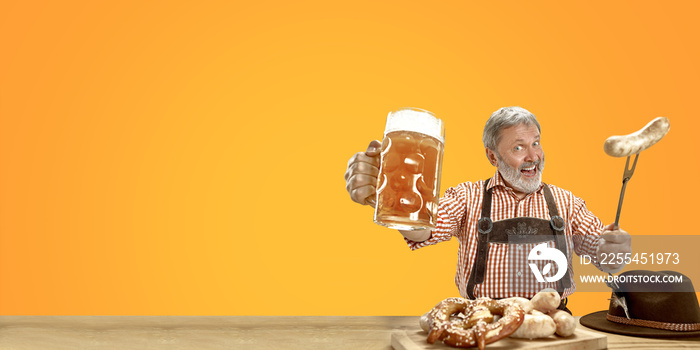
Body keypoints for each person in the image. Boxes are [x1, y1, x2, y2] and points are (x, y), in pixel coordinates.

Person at [344, 106, 631, 311]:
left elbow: (606, 257)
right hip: (481, 321)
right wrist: (394, 194)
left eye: (536, 143)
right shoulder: (467, 197)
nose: (534, 156)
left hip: (552, 324)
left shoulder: (567, 203)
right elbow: (423, 230)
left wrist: (616, 249)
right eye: (519, 148)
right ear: (492, 156)